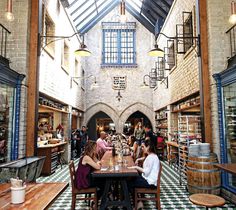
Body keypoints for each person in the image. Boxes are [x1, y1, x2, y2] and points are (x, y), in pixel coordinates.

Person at [128, 139, 160, 209]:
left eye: (143, 147)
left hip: (150, 183)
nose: (142, 149)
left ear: (148, 147)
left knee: (129, 182)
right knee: (132, 178)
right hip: (149, 180)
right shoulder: (152, 155)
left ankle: (139, 202)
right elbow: (145, 158)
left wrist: (136, 167)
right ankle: (139, 201)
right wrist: (139, 159)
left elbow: (146, 171)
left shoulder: (151, 157)